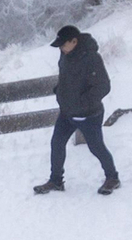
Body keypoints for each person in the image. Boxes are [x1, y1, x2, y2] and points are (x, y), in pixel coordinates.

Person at [34, 24, 120, 195]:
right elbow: (66, 78)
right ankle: (56, 181)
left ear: (74, 41)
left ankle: (113, 177)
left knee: (96, 147)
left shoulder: (92, 58)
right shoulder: (65, 55)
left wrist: (82, 103)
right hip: (67, 112)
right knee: (57, 144)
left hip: (89, 114)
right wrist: (60, 91)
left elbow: (103, 86)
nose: (61, 48)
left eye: (63, 44)